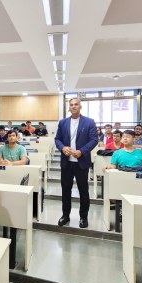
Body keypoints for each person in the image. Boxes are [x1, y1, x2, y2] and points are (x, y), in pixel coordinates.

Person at [55, 98, 97, 229]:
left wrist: (82, 151)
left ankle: (83, 217)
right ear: (69, 107)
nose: (74, 107)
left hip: (81, 162)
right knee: (65, 190)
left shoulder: (89, 122)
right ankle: (65, 215)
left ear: (80, 106)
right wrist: (62, 148)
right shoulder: (63, 123)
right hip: (67, 163)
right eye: (71, 105)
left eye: (76, 104)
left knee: (83, 191)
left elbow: (94, 139)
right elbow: (57, 139)